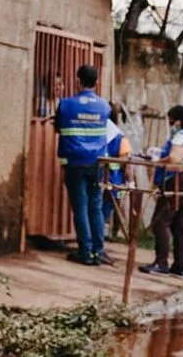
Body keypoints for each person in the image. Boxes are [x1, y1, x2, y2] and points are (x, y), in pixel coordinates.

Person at [54, 65, 112, 266]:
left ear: (78, 81)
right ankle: (98, 251)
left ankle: (85, 252)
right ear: (97, 83)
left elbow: (58, 128)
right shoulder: (105, 106)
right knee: (95, 206)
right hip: (97, 163)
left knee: (80, 207)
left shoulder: (66, 105)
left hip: (75, 163)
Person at [140, 105, 183, 278]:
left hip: (176, 181)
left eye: (171, 120)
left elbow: (175, 158)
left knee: (161, 221)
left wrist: (158, 160)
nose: (170, 123)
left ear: (179, 120)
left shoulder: (181, 135)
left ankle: (161, 263)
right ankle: (181, 267)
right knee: (180, 225)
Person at [102, 105, 132, 238]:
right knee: (109, 206)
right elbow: (126, 162)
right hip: (113, 180)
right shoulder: (120, 138)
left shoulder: (98, 133)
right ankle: (109, 232)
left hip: (98, 176)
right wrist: (130, 180)